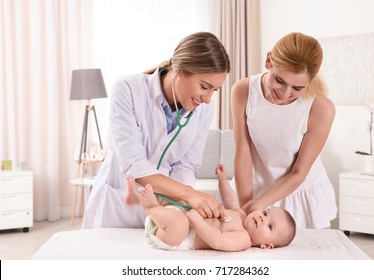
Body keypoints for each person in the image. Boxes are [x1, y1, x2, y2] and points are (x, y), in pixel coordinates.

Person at [82, 32, 230, 229]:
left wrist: (172, 202)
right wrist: (189, 194)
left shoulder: (204, 109)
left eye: (215, 90)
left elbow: (186, 165)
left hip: (163, 213)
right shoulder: (127, 90)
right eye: (204, 86)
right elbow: (134, 164)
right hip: (118, 206)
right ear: (180, 71)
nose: (208, 98)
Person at [231, 32, 337, 229]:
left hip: (299, 194)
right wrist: (247, 207)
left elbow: (299, 172)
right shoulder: (243, 90)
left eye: (297, 88)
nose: (285, 93)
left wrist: (261, 204)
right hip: (253, 189)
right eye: (279, 80)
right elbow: (243, 153)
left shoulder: (321, 108)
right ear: (269, 60)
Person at [125, 164, 296, 251]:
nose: (263, 218)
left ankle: (151, 207)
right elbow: (230, 200)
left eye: (270, 226)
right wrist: (222, 180)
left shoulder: (243, 239)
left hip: (176, 237)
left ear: (267, 245)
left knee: (181, 224)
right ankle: (136, 199)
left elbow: (218, 240)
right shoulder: (241, 214)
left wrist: (198, 222)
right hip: (173, 217)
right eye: (266, 212)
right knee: (184, 198)